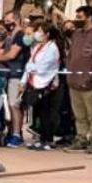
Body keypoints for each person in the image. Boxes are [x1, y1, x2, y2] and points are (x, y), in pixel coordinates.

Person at [64, 5, 92, 154]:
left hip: (91, 83)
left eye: (80, 17)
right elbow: (70, 55)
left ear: (89, 17)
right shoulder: (77, 34)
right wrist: (70, 73)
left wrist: (91, 77)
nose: (77, 20)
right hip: (74, 81)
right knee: (79, 114)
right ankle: (81, 138)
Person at [0, 12, 29, 146]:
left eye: (8, 21)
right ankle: (13, 132)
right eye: (5, 21)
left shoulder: (20, 36)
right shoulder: (10, 36)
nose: (6, 24)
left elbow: (12, 54)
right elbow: (0, 50)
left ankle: (17, 134)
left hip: (17, 75)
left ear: (17, 20)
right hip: (10, 74)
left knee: (14, 105)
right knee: (11, 106)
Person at [23, 20, 63, 151]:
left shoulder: (52, 48)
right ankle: (41, 138)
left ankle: (48, 139)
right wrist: (24, 80)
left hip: (46, 83)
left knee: (46, 112)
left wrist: (31, 67)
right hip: (34, 82)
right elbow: (29, 64)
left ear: (47, 34)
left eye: (40, 31)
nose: (37, 34)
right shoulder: (37, 47)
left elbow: (43, 66)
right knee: (38, 112)